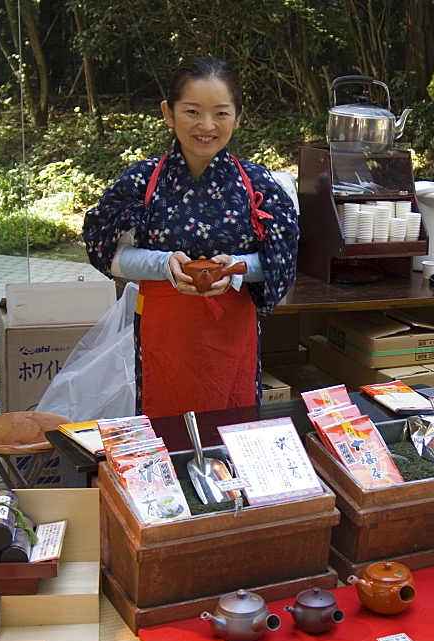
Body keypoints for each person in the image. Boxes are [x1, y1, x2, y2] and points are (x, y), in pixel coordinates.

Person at [83, 57, 299, 419]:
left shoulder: (258, 185)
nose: (207, 125)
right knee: (164, 422)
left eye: (221, 113)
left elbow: (281, 262)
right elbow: (108, 253)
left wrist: (237, 269)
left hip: (231, 328)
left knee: (232, 421)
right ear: (168, 113)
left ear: (238, 117)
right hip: (164, 328)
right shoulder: (142, 181)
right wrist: (161, 263)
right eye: (193, 111)